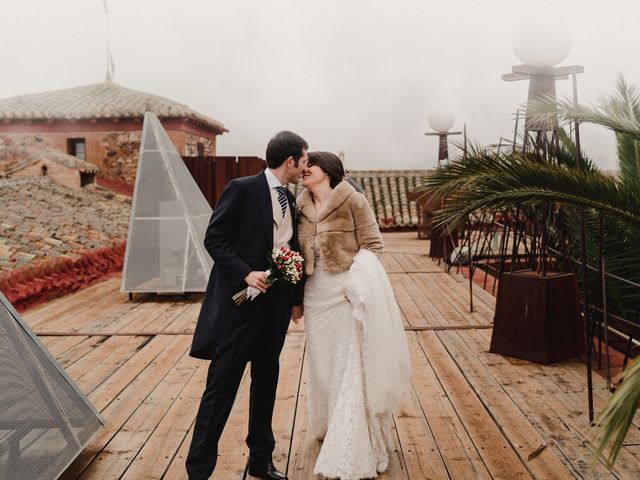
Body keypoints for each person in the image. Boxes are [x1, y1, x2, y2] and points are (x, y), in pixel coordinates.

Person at [186, 131, 307, 480]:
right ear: (290, 161)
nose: (304, 167)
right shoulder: (241, 188)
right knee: (220, 389)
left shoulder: (291, 199)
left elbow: (291, 247)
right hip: (237, 311)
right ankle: (198, 471)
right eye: (303, 160)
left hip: (274, 310)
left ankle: (260, 461)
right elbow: (215, 238)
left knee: (266, 382)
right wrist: (246, 273)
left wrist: (295, 301)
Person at [293, 151, 412, 479]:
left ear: (327, 171)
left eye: (309, 167)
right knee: (322, 363)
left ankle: (351, 434)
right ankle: (331, 423)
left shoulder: (353, 200)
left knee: (348, 364)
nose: (304, 171)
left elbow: (374, 245)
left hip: (346, 293)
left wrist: (355, 283)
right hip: (314, 293)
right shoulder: (298, 204)